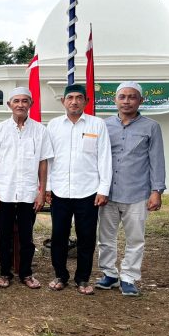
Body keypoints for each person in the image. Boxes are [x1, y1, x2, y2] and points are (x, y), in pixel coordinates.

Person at [96, 81, 166, 296]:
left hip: (136, 193)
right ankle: (109, 274)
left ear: (141, 100)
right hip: (107, 193)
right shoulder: (103, 125)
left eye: (132, 97)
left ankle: (129, 277)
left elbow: (157, 160)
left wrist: (157, 191)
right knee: (105, 238)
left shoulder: (151, 127)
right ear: (115, 100)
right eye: (122, 97)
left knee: (135, 239)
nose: (127, 101)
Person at [46, 83, 112, 295]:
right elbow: (48, 159)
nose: (74, 101)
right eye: (70, 98)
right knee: (58, 236)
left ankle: (83, 278)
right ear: (63, 101)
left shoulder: (97, 125)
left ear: (86, 101)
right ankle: (60, 275)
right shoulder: (54, 126)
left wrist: (103, 189)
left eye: (78, 98)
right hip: (59, 191)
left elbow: (104, 158)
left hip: (88, 191)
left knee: (86, 237)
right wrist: (47, 187)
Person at [0, 87, 53, 289]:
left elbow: (43, 164)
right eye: (16, 101)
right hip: (4, 192)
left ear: (30, 104)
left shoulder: (41, 130)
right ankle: (5, 273)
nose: (20, 105)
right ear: (9, 105)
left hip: (28, 193)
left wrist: (41, 192)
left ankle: (26, 273)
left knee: (27, 237)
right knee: (4, 235)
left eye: (25, 101)